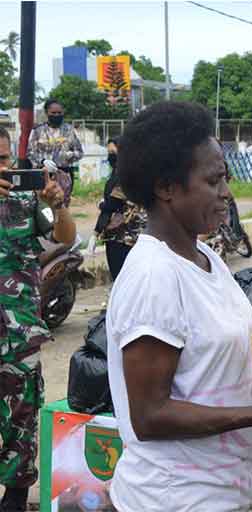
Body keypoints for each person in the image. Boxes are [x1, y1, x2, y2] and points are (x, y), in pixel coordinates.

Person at [105, 102, 252, 512]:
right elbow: (150, 416)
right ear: (166, 187)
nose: (227, 193)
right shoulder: (154, 276)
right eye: (213, 180)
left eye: (225, 178)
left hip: (222, 493)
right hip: (173, 499)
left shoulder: (205, 256)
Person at [0, 126, 76, 511]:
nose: (4, 168)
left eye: (5, 159)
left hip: (18, 328)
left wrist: (58, 203)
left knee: (21, 411)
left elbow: (64, 235)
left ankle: (15, 493)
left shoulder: (28, 202)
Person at [93, 138, 147, 280]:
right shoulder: (120, 173)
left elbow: (113, 203)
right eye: (109, 152)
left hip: (126, 237)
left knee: (125, 279)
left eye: (114, 152)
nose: (111, 156)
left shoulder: (128, 175)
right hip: (118, 236)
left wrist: (102, 205)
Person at [27, 98, 83, 204]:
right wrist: (42, 161)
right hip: (42, 174)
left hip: (64, 175)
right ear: (47, 113)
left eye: (59, 113)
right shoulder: (38, 131)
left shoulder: (69, 130)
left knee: (62, 206)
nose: (56, 115)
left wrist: (70, 155)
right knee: (42, 205)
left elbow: (80, 152)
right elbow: (30, 152)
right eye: (53, 113)